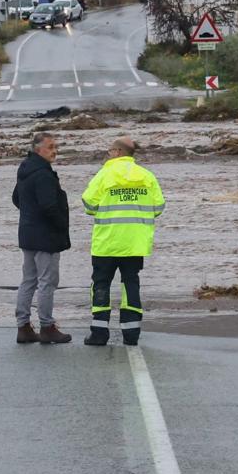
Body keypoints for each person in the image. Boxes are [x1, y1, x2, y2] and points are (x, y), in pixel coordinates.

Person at [80, 137, 164, 346]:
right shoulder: (146, 176)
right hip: (135, 243)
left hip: (107, 242)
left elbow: (88, 204)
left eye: (109, 150)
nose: (108, 154)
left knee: (101, 284)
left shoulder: (104, 175)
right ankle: (131, 333)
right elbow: (158, 207)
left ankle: (99, 333)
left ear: (117, 151)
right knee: (130, 284)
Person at [12, 132, 71, 345]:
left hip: (28, 233)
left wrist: (30, 215)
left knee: (28, 280)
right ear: (39, 150)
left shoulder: (26, 169)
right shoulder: (44, 174)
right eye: (51, 147)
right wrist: (61, 226)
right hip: (46, 236)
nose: (55, 151)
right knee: (47, 282)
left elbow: (16, 198)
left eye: (56, 146)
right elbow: (49, 207)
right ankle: (47, 326)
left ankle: (23, 327)